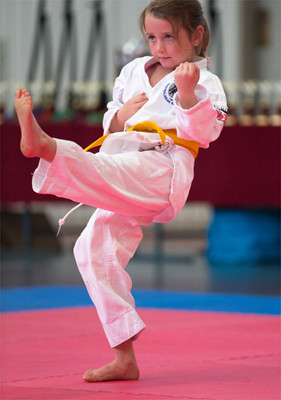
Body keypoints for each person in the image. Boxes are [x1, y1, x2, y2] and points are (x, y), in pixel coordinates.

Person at [14, 0, 227, 383]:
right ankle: (124, 355)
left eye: (169, 37)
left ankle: (48, 148)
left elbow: (205, 133)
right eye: (151, 37)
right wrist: (121, 115)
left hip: (163, 169)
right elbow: (112, 118)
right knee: (92, 250)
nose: (159, 46)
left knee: (101, 169)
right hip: (127, 164)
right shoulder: (132, 71)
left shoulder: (203, 80)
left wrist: (189, 95)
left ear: (196, 36)